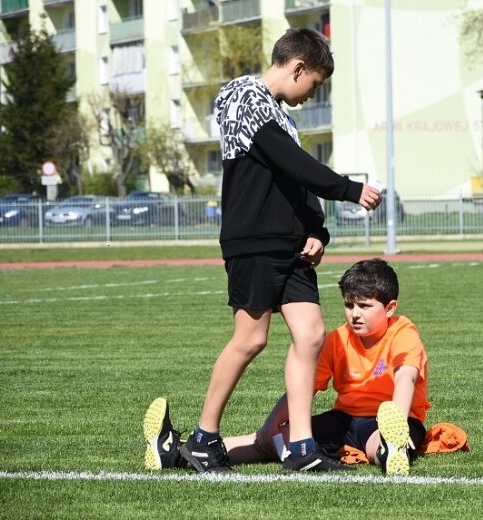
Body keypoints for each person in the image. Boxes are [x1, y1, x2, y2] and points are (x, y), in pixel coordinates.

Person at [173, 28, 381, 473]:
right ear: (298, 67)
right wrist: (349, 189)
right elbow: (293, 163)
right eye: (315, 84)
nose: (312, 94)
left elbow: (294, 180)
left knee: (309, 335)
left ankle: (302, 448)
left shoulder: (281, 117)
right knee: (251, 339)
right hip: (254, 242)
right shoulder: (243, 95)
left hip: (291, 248)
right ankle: (203, 437)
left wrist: (318, 232)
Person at [144, 259, 430, 476]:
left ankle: (391, 445)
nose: (355, 314)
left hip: (392, 421)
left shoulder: (403, 331)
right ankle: (174, 453)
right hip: (343, 419)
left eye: (364, 306)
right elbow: (304, 388)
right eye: (349, 305)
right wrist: (270, 427)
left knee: (376, 448)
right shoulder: (337, 338)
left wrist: (397, 424)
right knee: (275, 441)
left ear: (390, 308)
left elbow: (406, 377)